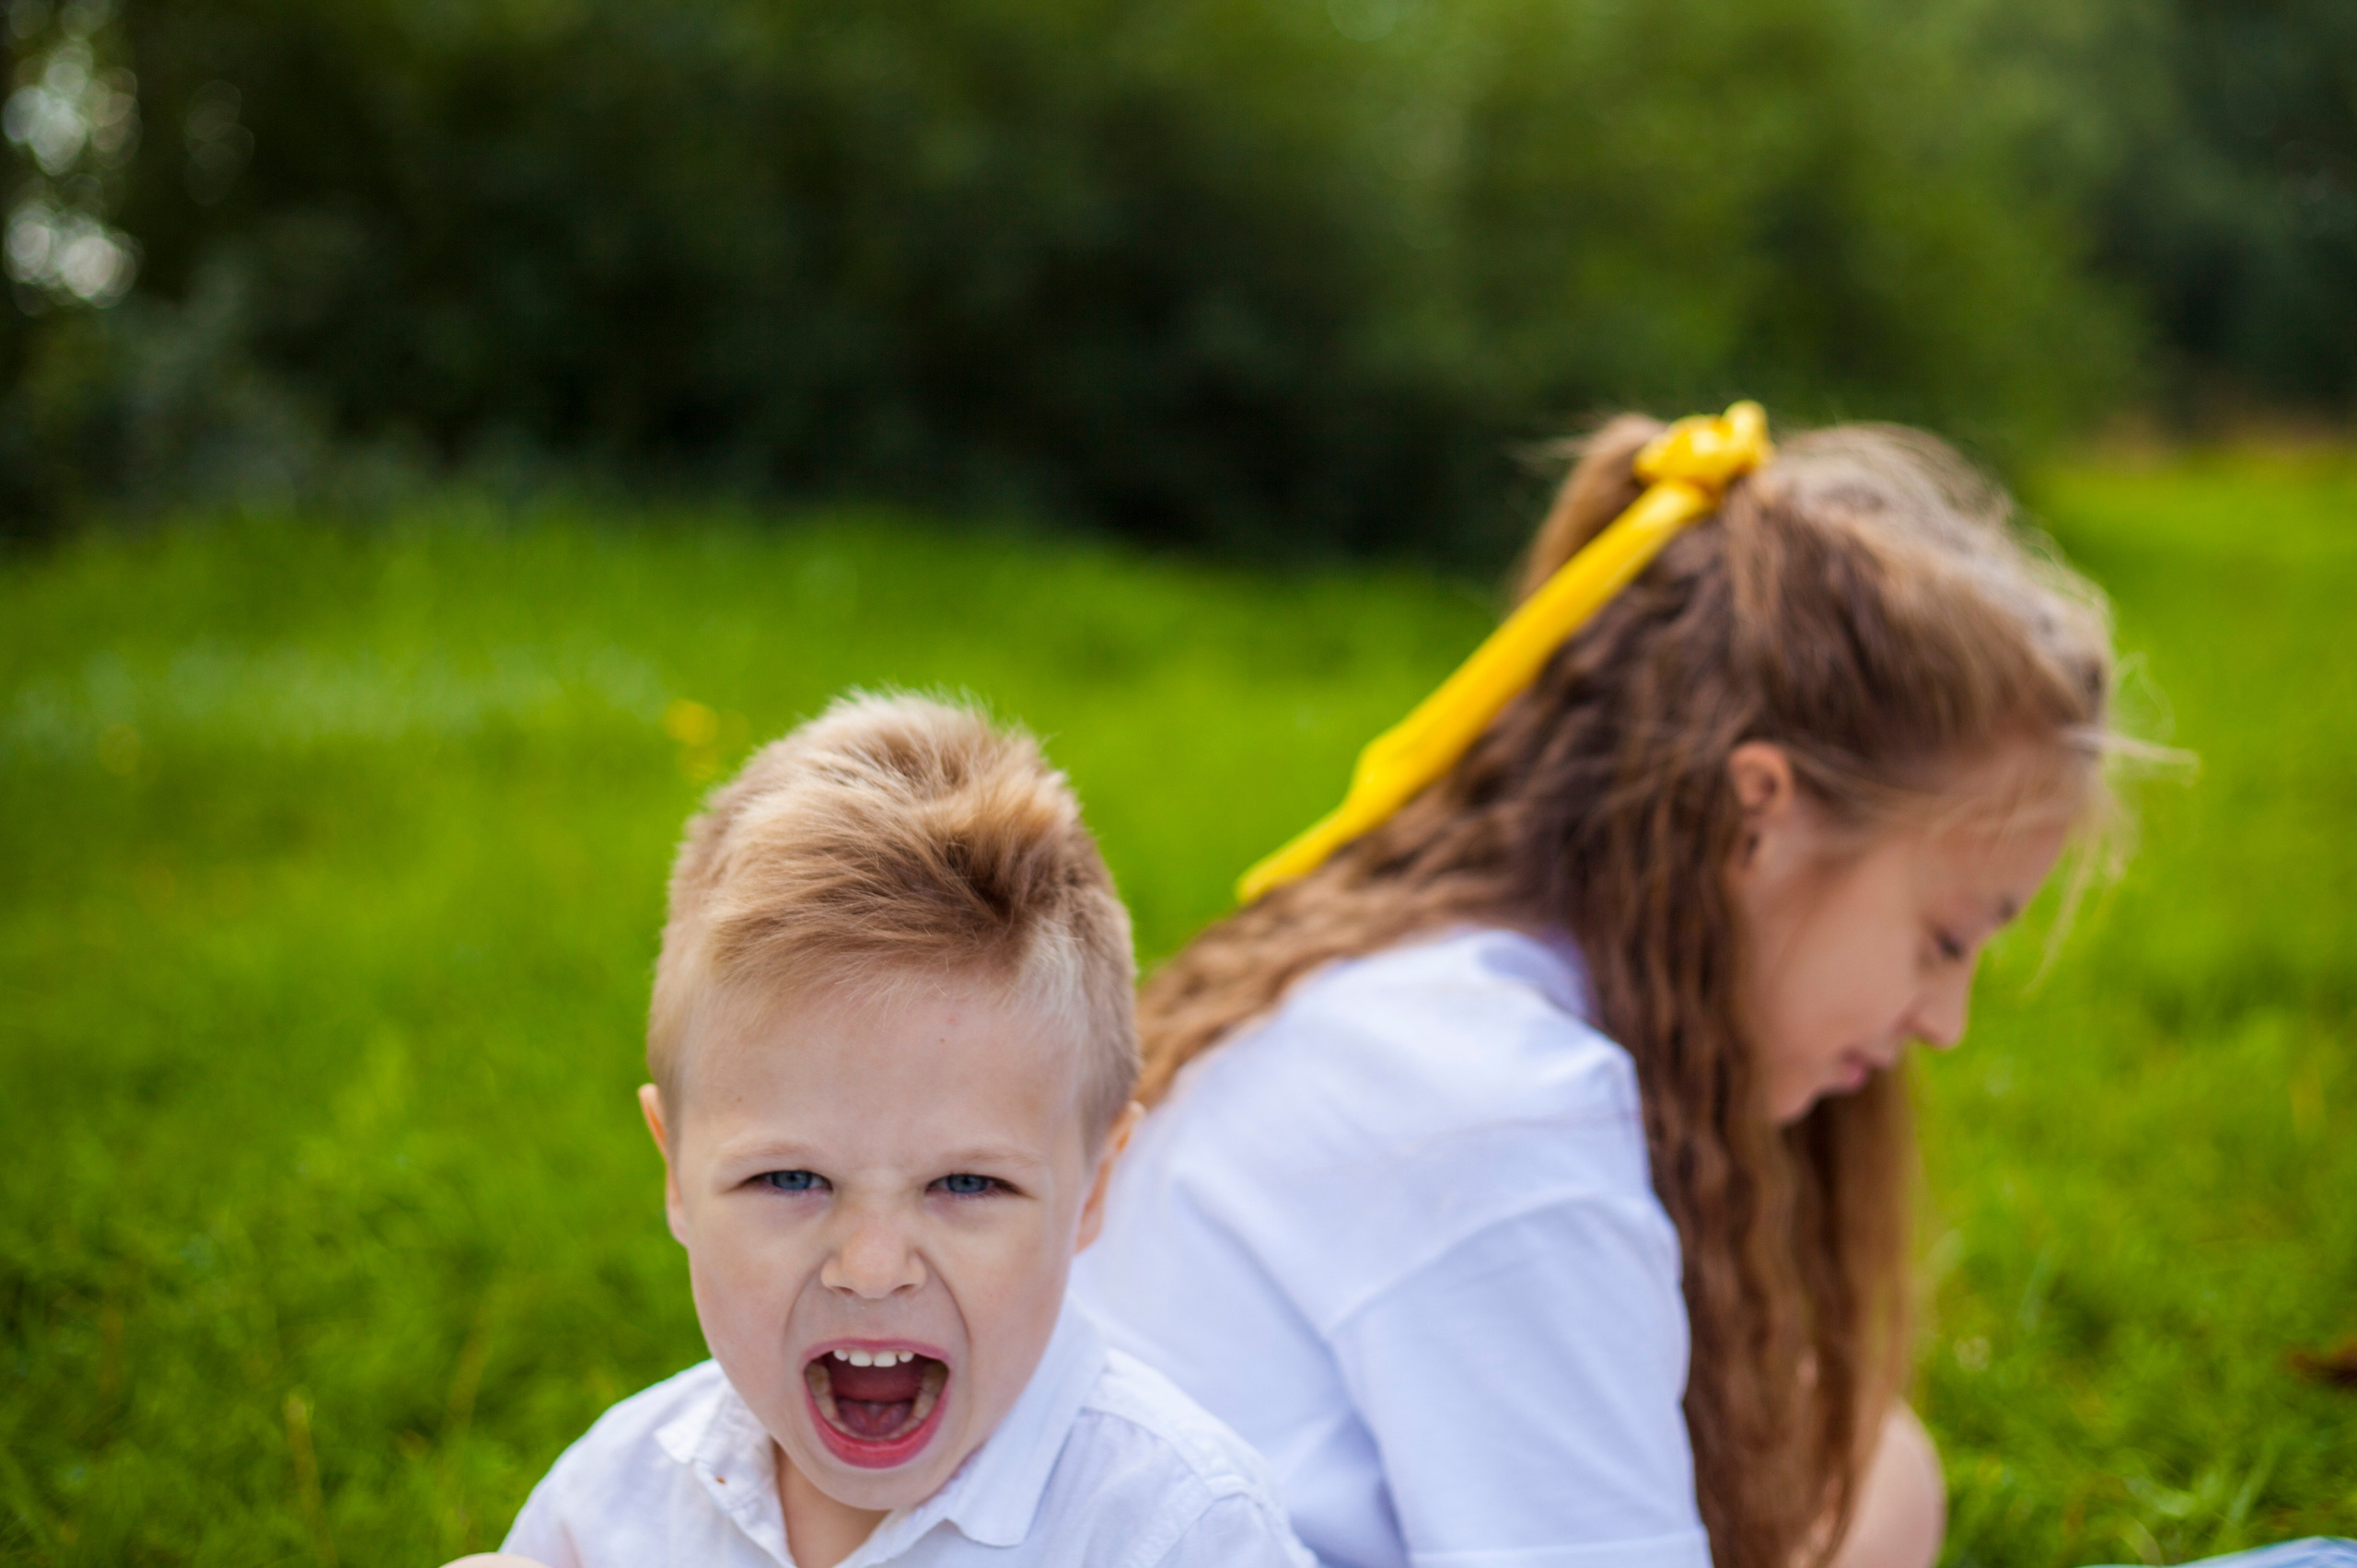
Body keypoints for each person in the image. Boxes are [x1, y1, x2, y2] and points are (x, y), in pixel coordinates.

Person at [1072, 407, 2350, 1568]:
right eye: (1944, 936)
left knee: (1875, 1468)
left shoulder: (1412, 1006)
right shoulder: (1498, 1112)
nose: (1944, 1021)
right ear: (1760, 814)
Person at [476, 695, 1313, 1568]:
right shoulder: (612, 1500)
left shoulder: (1177, 1529)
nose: (871, 1268)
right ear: (676, 1174)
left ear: (1095, 1185)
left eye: (967, 1183)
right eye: (791, 1178)